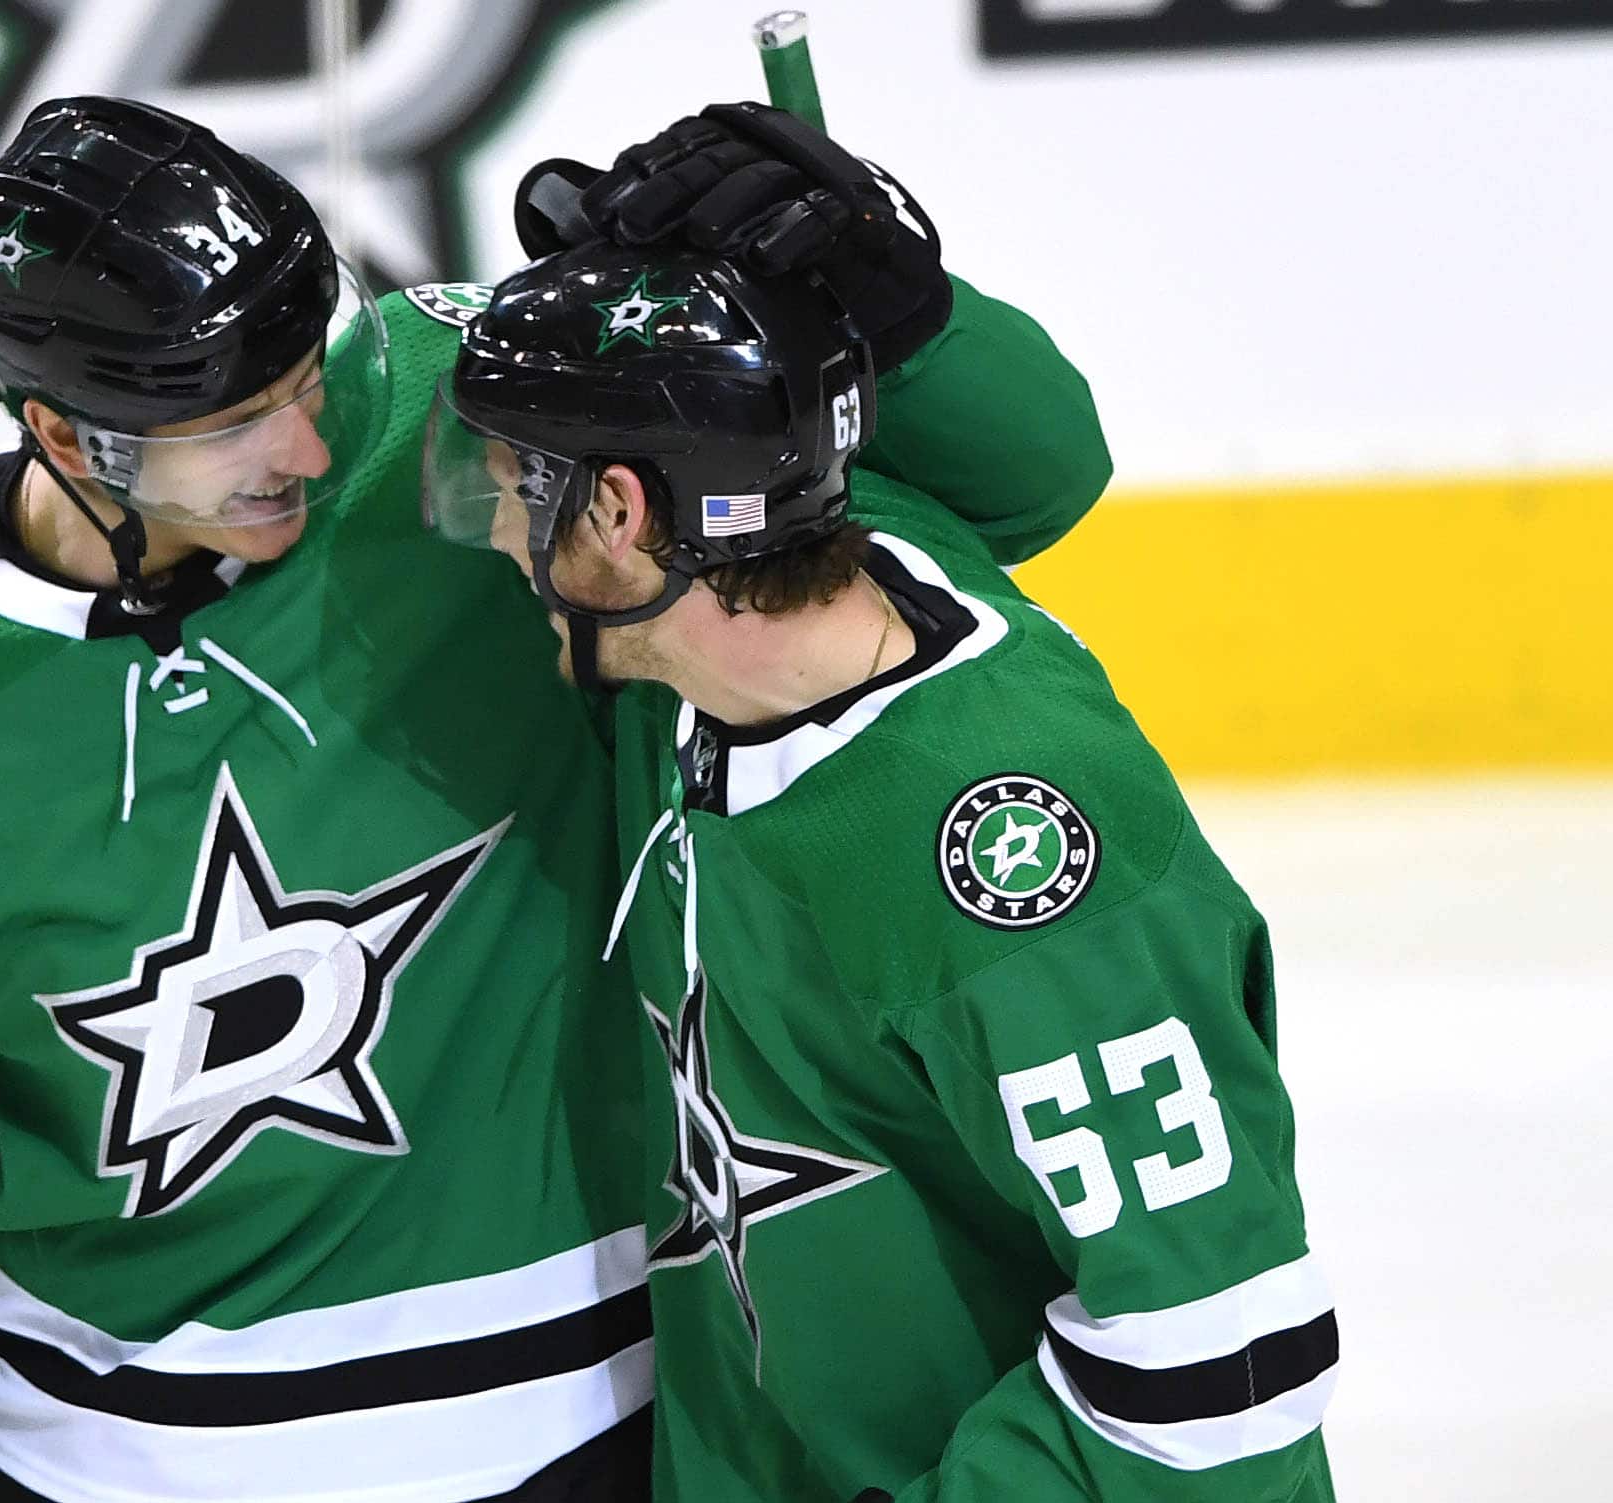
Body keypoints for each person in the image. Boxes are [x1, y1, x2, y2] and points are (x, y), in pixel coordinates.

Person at [0, 95, 1112, 1502]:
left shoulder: (468, 420)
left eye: (307, 375)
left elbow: (1027, 485)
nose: (310, 448)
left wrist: (897, 316)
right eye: (235, 422)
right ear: (65, 435)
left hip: (598, 1427)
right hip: (111, 1465)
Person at [425, 224, 1340, 1502]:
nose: (510, 542)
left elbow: (1215, 1370)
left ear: (622, 515)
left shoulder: (1007, 860)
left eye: (523, 490)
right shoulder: (726, 648)